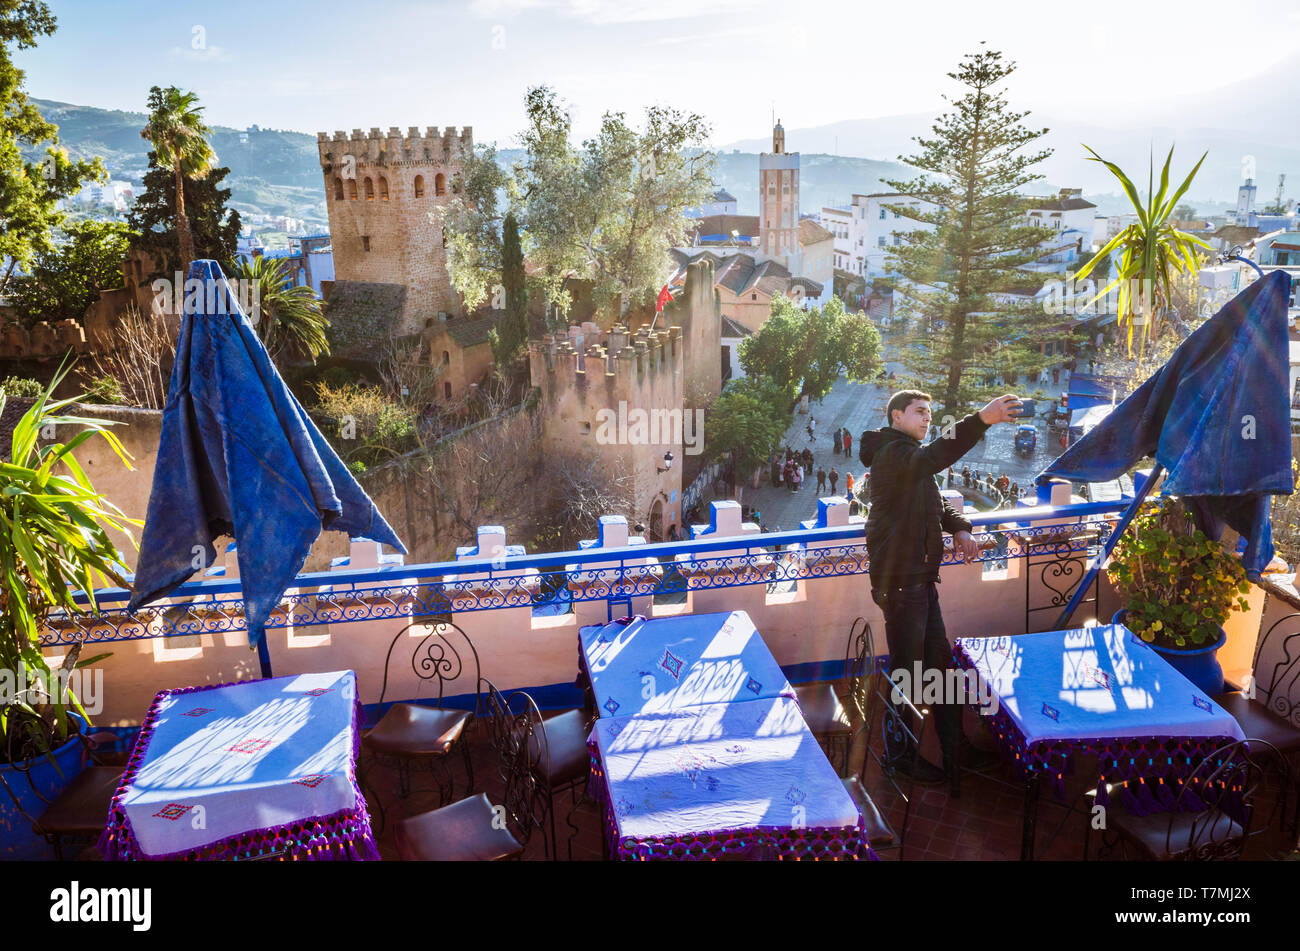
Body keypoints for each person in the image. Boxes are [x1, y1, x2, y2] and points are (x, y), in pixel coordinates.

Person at [859, 389, 1022, 785]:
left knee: (941, 668)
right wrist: (980, 420)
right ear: (896, 416)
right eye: (919, 412)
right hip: (901, 584)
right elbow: (934, 458)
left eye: (930, 413)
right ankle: (899, 756)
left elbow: (936, 503)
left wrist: (962, 529)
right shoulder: (893, 455)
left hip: (920, 580)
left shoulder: (909, 458)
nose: (927, 418)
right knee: (907, 672)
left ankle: (954, 746)